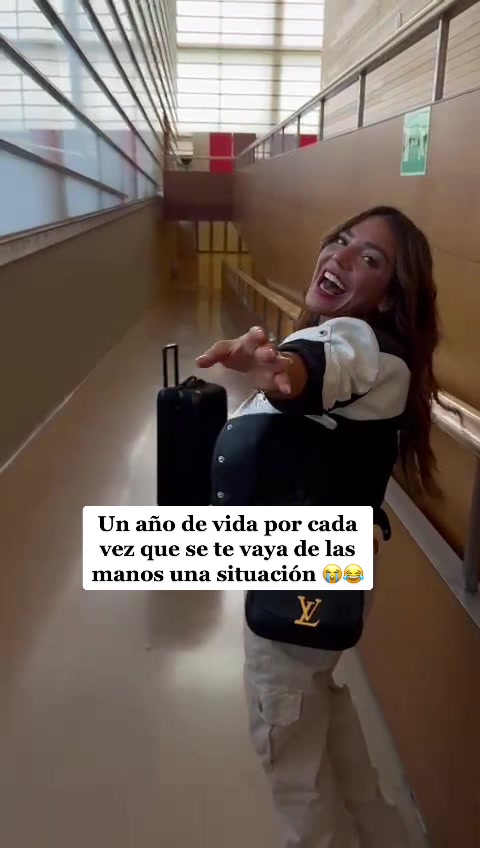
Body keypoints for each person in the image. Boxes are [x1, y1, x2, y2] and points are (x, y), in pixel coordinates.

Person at [196, 206, 441, 847]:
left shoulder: (360, 343)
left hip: (304, 574)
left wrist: (283, 369)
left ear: (389, 297)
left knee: (294, 768)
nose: (341, 256)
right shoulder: (367, 348)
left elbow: (320, 365)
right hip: (316, 565)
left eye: (370, 259)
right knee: (325, 733)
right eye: (342, 241)